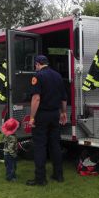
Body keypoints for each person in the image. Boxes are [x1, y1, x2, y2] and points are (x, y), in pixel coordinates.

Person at [26, 55, 67, 186]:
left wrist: (32, 117)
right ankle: (58, 175)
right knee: (55, 145)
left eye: (35, 65)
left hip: (42, 115)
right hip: (55, 114)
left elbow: (36, 98)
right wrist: (64, 112)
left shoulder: (38, 76)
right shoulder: (58, 76)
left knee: (40, 146)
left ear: (38, 64)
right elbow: (64, 98)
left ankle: (40, 179)